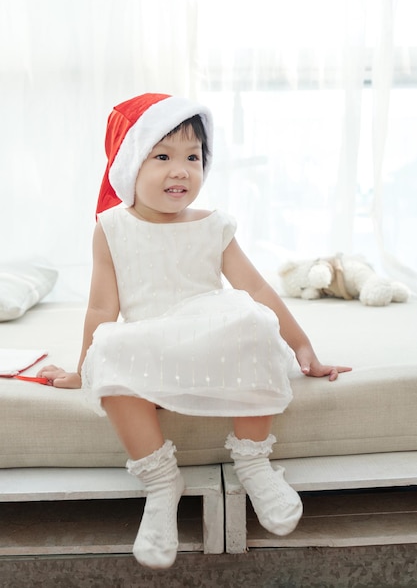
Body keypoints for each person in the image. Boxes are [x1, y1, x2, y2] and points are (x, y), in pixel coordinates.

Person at [38, 93, 351, 569]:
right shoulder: (111, 228)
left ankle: (252, 461)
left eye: (192, 157)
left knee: (253, 323)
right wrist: (85, 367)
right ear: (129, 166)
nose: (180, 170)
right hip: (154, 346)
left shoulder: (214, 226)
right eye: (161, 156)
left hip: (208, 338)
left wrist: (303, 346)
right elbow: (103, 305)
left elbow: (259, 290)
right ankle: (162, 481)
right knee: (111, 347)